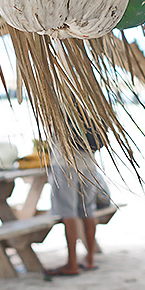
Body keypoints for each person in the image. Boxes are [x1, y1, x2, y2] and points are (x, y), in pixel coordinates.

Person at [44, 118, 107, 277]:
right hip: (88, 162)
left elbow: (51, 124)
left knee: (68, 213)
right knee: (88, 210)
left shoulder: (58, 98)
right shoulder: (89, 101)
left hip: (65, 161)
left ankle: (72, 263)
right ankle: (90, 259)